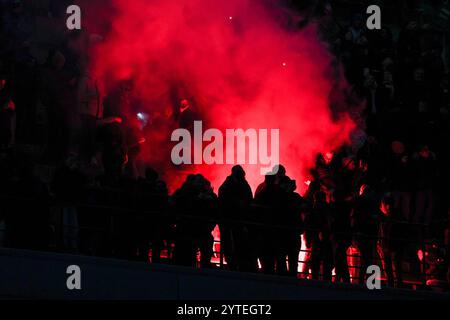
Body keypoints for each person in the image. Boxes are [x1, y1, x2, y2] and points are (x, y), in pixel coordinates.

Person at [172, 174, 218, 268]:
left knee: (200, 250)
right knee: (189, 254)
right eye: (197, 182)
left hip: (198, 230)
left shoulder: (208, 195)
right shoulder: (186, 194)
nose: (199, 184)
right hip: (189, 230)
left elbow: (215, 210)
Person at [218, 165, 256, 272]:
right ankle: (233, 264)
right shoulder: (236, 184)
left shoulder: (230, 184)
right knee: (232, 243)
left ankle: (237, 264)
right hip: (232, 220)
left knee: (237, 243)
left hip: (237, 221)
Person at [351, 184, 380, 284]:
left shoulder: (358, 201)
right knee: (369, 258)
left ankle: (363, 282)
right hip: (368, 234)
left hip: (363, 234)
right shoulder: (371, 202)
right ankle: (370, 283)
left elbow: (354, 217)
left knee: (366, 258)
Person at [377, 195, 408, 288]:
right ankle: (394, 285)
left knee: (394, 268)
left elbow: (387, 232)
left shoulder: (391, 217)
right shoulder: (388, 217)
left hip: (392, 246)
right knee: (392, 268)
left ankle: (394, 286)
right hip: (387, 246)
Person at [277, 176, 304, 277]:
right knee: (292, 262)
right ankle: (291, 285)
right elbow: (306, 205)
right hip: (292, 234)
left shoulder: (279, 197)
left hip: (283, 234)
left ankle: (281, 285)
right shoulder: (295, 197)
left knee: (282, 262)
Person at [305, 191, 334, 281]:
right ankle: (326, 282)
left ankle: (315, 280)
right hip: (326, 239)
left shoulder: (314, 209)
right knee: (326, 263)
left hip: (317, 240)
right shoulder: (329, 208)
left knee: (316, 263)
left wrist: (308, 239)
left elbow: (308, 224)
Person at [0, 75, 15, 149]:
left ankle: (6, 144)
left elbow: (11, 106)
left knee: (6, 129)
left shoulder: (6, 93)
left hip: (6, 115)